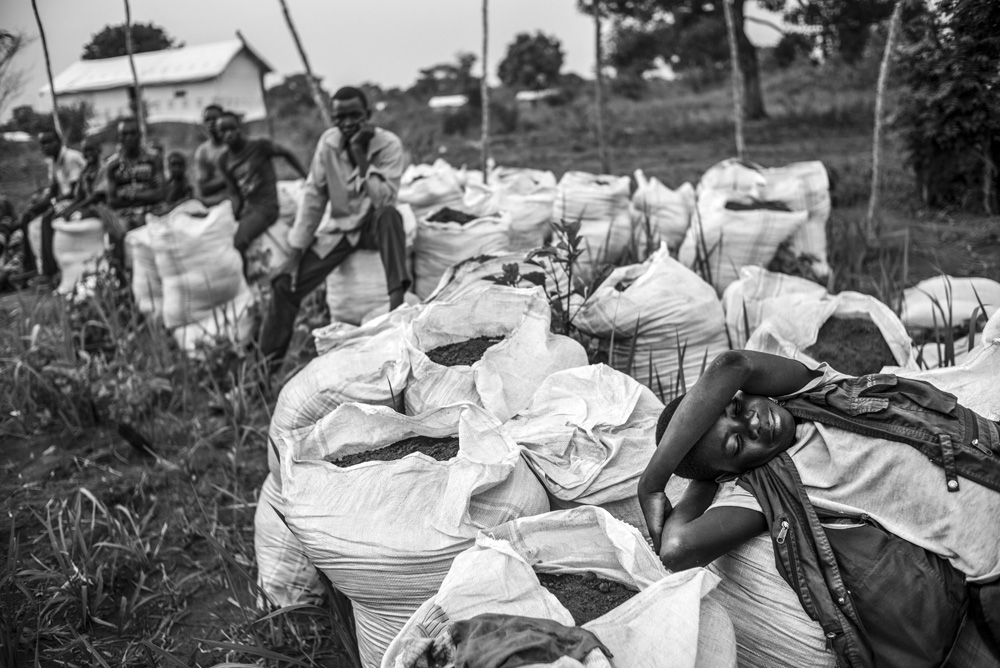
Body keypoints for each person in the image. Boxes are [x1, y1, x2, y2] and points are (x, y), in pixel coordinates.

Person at [640, 349, 1000, 664]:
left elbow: (733, 364)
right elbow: (676, 548)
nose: (753, 423)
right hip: (991, 562)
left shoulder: (811, 390)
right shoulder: (762, 487)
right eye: (736, 445)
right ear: (727, 475)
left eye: (735, 407)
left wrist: (652, 482)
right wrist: (703, 479)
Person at [259, 86, 409, 374]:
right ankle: (263, 373)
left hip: (372, 227)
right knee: (283, 285)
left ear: (368, 115)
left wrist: (360, 154)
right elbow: (314, 196)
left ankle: (397, 305)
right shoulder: (328, 143)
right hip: (340, 231)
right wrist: (295, 252)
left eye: (355, 115)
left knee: (391, 216)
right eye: (340, 117)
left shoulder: (388, 145)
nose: (348, 123)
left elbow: (384, 199)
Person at [216, 110, 307, 256]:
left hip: (266, 206)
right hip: (250, 207)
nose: (228, 134)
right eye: (223, 131)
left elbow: (286, 154)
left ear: (240, 128)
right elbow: (234, 193)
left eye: (232, 128)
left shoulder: (259, 146)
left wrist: (306, 176)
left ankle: (242, 279)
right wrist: (234, 215)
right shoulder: (224, 160)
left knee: (238, 243)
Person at [17, 127, 86, 285]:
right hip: (63, 199)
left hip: (77, 199)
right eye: (42, 144)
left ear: (59, 141)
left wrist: (53, 202)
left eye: (49, 142)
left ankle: (50, 271)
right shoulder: (53, 162)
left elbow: (76, 191)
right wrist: (34, 208)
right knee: (27, 217)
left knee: (46, 220)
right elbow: (54, 190)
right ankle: (30, 266)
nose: (46, 146)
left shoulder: (70, 158)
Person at [103, 118, 166, 272]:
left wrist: (130, 194)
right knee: (117, 234)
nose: (129, 137)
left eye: (133, 133)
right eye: (124, 134)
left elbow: (161, 193)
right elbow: (112, 200)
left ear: (140, 135)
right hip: (124, 213)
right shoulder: (112, 165)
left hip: (153, 209)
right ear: (119, 137)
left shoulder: (153, 159)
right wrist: (145, 194)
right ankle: (122, 279)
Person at [59, 136, 106, 221]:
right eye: (85, 150)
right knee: (62, 215)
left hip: (101, 207)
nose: (89, 153)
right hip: (87, 205)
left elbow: (96, 197)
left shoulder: (104, 169)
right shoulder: (84, 172)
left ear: (99, 150)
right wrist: (69, 208)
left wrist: (75, 209)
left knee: (76, 218)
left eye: (91, 150)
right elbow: (79, 196)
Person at [193, 104, 228, 206]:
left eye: (215, 119)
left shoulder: (234, 145)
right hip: (215, 201)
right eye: (207, 120)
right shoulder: (202, 151)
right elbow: (203, 188)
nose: (211, 123)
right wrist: (228, 178)